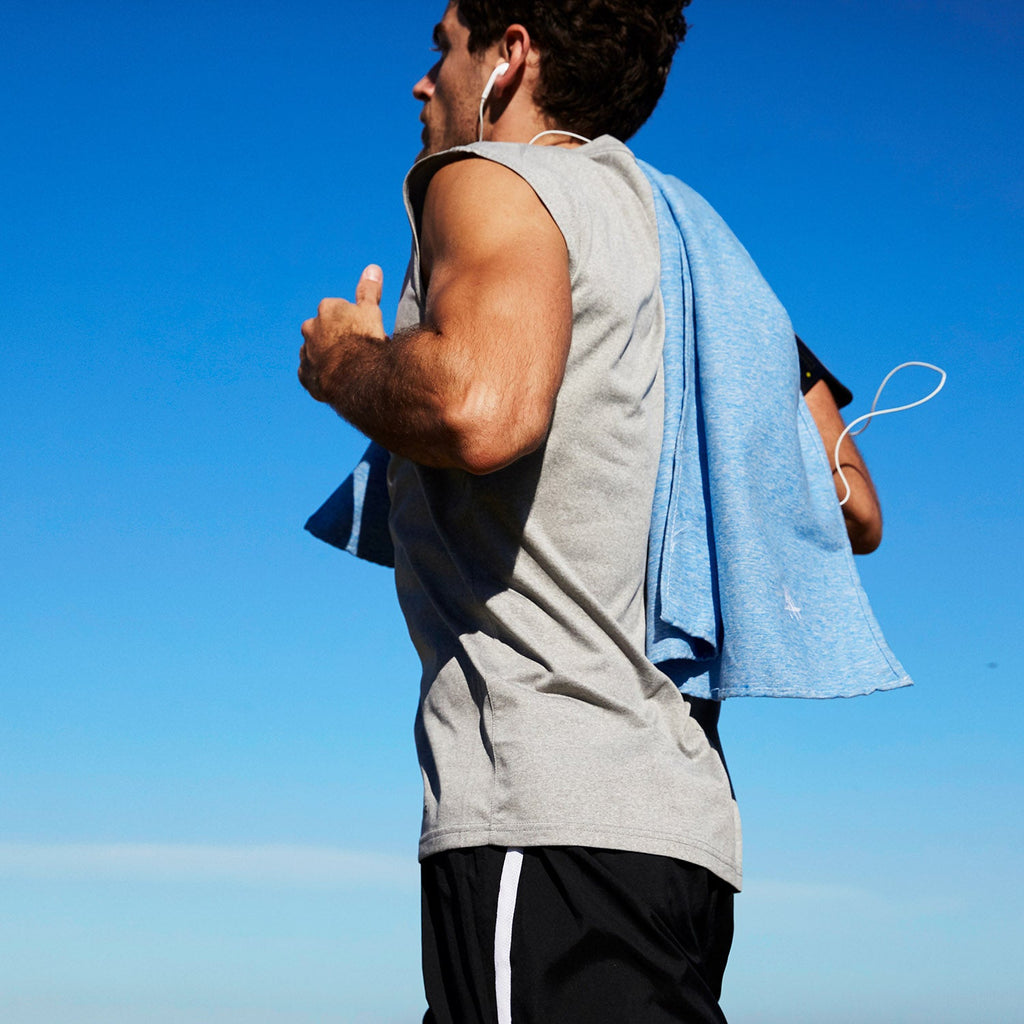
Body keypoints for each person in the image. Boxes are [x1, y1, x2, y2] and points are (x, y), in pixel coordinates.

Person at [298, 2, 886, 1021]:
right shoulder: (703, 252)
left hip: (543, 805)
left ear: (509, 56)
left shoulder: (489, 181)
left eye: (443, 47)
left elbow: (478, 409)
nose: (420, 79)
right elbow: (855, 505)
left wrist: (343, 360)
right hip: (681, 835)